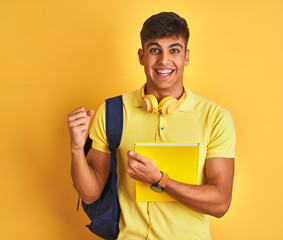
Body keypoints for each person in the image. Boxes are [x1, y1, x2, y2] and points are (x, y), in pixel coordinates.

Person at [67, 12, 236, 240]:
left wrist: (160, 180)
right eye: (155, 50)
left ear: (186, 57)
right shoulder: (113, 111)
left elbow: (221, 202)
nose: (164, 60)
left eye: (174, 50)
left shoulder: (215, 118)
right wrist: (77, 150)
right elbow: (90, 195)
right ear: (141, 56)